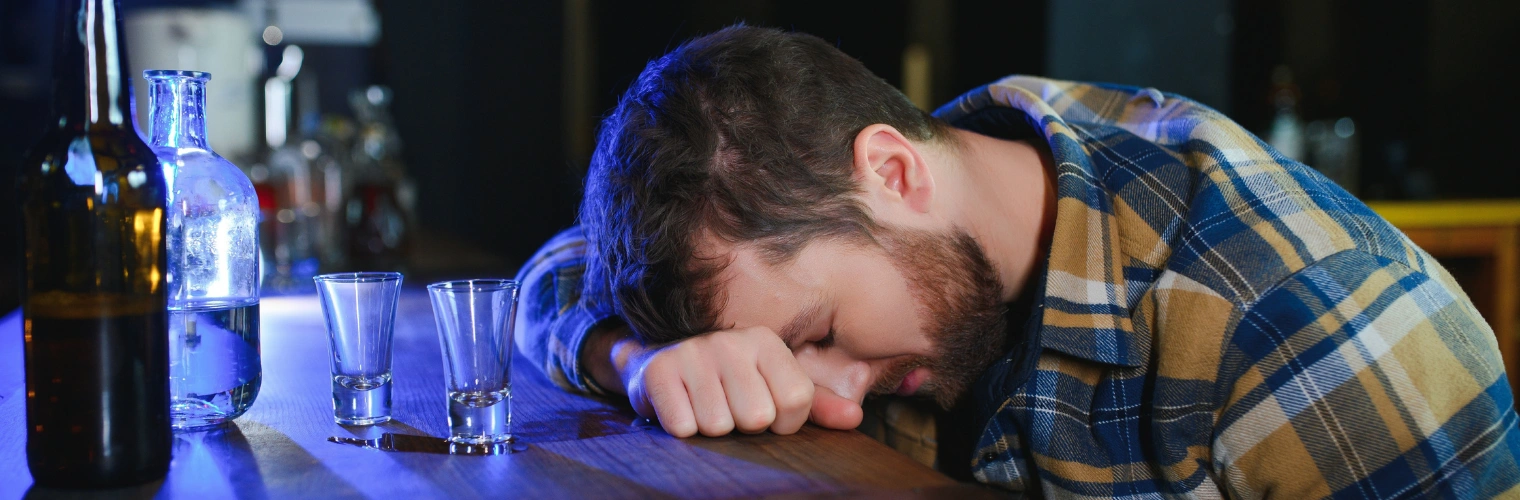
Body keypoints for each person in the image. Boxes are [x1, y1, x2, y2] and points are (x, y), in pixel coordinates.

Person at [514, 25, 1520, 497]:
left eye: (815, 335)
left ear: (892, 169)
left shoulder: (1308, 326)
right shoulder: (933, 186)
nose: (825, 399)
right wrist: (629, 357)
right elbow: (555, 267)